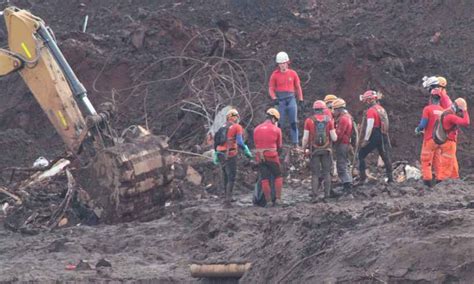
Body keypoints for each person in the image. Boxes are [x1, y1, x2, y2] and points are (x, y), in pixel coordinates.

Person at [213, 108, 253, 206]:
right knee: (231, 176)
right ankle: (228, 200)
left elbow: (216, 141)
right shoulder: (237, 127)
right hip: (230, 154)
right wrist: (246, 150)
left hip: (220, 153)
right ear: (235, 117)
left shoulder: (222, 127)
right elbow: (239, 142)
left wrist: (215, 153)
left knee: (225, 175)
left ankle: (226, 197)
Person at [302, 100, 337, 200]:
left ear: (314, 109)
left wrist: (304, 148)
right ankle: (327, 196)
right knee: (326, 173)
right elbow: (334, 138)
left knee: (315, 174)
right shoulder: (329, 120)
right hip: (326, 150)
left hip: (314, 151)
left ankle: (314, 196)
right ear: (323, 109)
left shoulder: (309, 120)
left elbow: (305, 138)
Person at [268, 51, 304, 147]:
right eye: (280, 64)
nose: (282, 65)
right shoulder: (275, 75)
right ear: (278, 64)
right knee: (279, 123)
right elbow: (271, 88)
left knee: (293, 122)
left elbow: (298, 87)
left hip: (291, 98)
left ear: (287, 63)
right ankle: (277, 143)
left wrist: (300, 99)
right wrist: (274, 98)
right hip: (281, 100)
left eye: (284, 63)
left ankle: (295, 143)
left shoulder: (293, 74)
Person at [358, 90, 393, 183]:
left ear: (369, 100)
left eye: (366, 101)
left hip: (375, 134)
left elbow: (370, 126)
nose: (365, 103)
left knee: (361, 155)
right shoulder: (381, 109)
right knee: (385, 156)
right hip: (383, 134)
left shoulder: (371, 111)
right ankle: (391, 178)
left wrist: (366, 139)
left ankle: (362, 178)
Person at [254, 108, 283, 206]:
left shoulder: (256, 129)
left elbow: (256, 144)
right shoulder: (277, 129)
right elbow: (279, 146)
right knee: (278, 176)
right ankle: (278, 199)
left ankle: (268, 201)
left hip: (260, 157)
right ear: (274, 119)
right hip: (272, 156)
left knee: (264, 179)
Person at [415, 89, 444, 187]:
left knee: (426, 159)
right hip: (439, 140)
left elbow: (423, 124)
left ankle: (427, 180)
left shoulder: (427, 109)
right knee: (437, 159)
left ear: (431, 98)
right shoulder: (442, 110)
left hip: (429, 139)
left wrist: (418, 129)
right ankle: (440, 179)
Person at [437, 98, 470, 180]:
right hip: (449, 143)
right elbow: (466, 122)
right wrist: (465, 111)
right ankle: (441, 180)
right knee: (447, 162)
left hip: (445, 141)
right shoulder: (450, 117)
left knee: (452, 160)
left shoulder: (446, 112)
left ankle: (455, 177)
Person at [332, 98, 354, 193]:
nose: (333, 112)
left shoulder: (343, 119)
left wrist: (332, 140)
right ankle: (347, 184)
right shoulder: (347, 116)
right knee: (344, 164)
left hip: (342, 144)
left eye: (335, 109)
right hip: (345, 144)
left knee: (342, 166)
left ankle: (347, 188)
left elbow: (339, 134)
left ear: (339, 109)